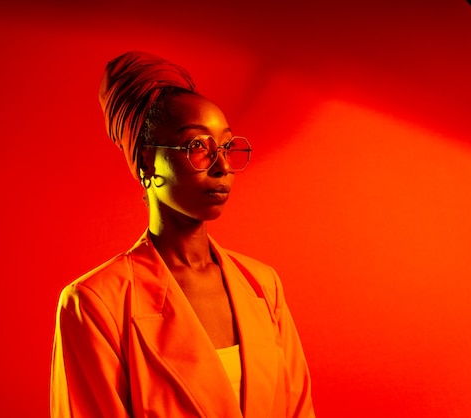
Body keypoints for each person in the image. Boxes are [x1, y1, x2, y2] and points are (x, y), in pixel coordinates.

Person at [50, 50, 315, 418]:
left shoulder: (261, 286)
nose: (223, 166)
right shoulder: (96, 303)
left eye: (224, 145)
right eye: (197, 147)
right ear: (147, 160)